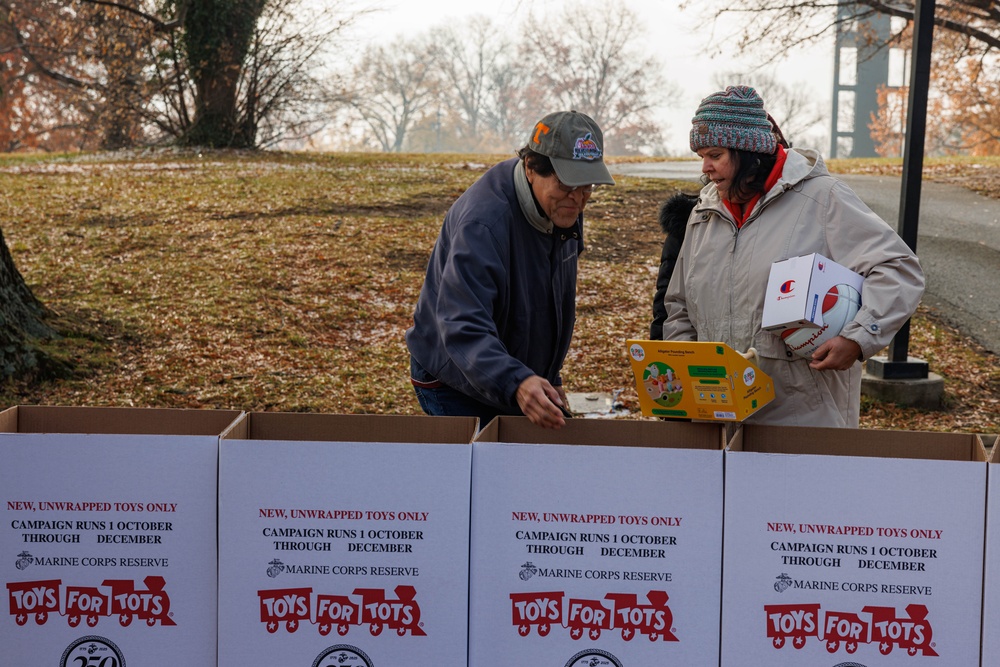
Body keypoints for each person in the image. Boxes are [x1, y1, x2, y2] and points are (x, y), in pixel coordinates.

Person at [660, 85, 924, 427]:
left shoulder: (823, 198)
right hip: (718, 420)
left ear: (749, 152)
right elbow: (679, 306)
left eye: (715, 154)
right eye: (702, 157)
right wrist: (689, 372)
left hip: (801, 422)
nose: (706, 167)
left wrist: (858, 338)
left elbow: (898, 269)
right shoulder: (703, 213)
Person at [406, 110, 615, 429]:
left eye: (587, 185)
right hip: (453, 376)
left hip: (508, 371)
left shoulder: (562, 208)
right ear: (531, 167)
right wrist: (517, 382)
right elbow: (463, 324)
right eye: (567, 183)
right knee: (487, 460)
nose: (578, 197)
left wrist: (547, 376)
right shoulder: (483, 225)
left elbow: (546, 301)